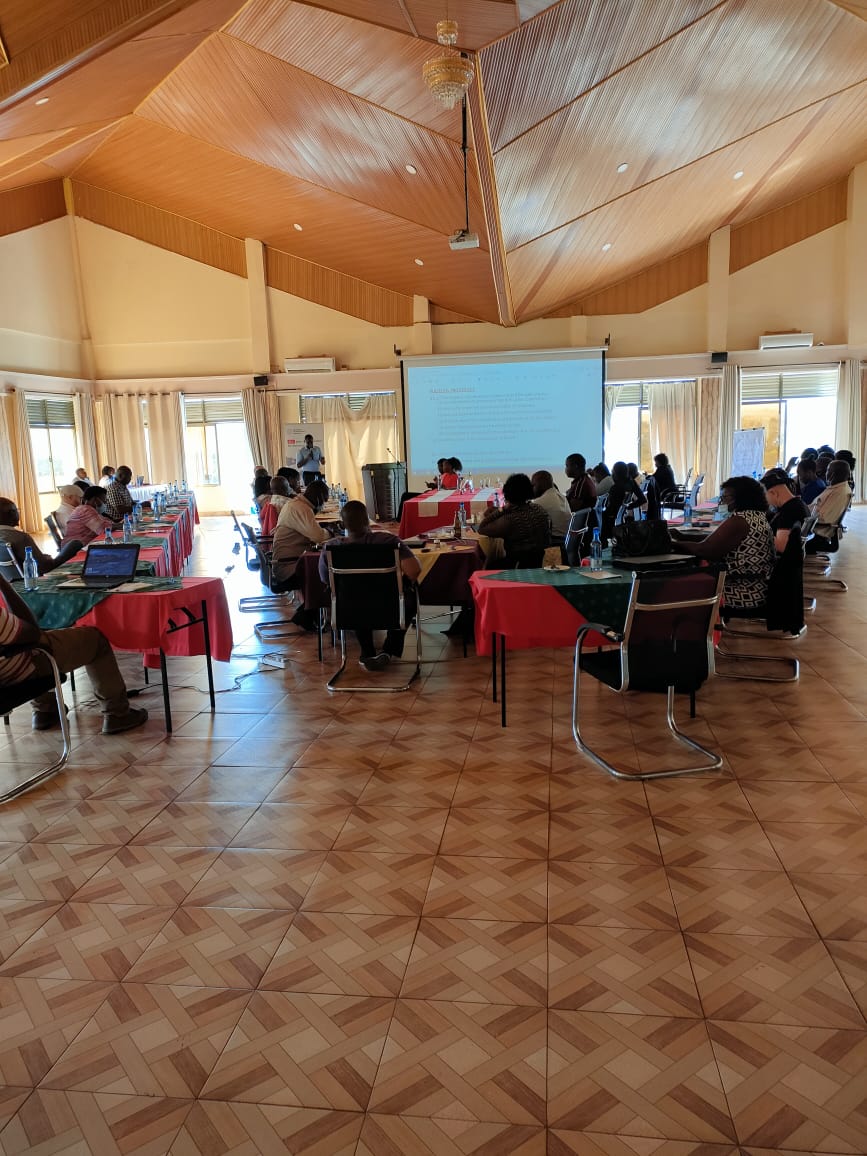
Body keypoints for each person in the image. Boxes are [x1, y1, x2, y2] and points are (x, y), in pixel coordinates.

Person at [0, 572, 148, 734]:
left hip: (5, 679)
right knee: (95, 640)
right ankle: (117, 713)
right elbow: (32, 632)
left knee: (39, 634)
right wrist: (4, 584)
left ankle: (45, 710)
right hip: (23, 670)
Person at [319, 500, 421, 671]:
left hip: (349, 609)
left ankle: (367, 651)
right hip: (390, 606)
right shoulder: (389, 541)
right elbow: (414, 571)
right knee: (411, 589)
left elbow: (325, 580)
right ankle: (389, 650)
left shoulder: (330, 548)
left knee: (353, 593)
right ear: (368, 520)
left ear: (343, 524)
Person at [672, 476, 774, 610]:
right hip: (755, 586)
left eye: (725, 497)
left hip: (739, 590)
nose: (721, 501)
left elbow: (705, 550)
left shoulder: (740, 521)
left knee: (676, 585)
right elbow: (715, 540)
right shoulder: (756, 516)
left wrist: (673, 544)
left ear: (740, 498)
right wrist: (682, 537)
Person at [477, 473, 551, 567]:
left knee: (489, 564)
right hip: (540, 563)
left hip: (517, 565)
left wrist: (501, 509)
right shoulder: (539, 509)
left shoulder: (510, 519)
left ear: (508, 492)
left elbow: (482, 528)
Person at [271, 480, 330, 588]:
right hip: (288, 568)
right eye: (324, 500)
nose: (323, 505)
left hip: (286, 562)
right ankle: (319, 602)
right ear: (319, 498)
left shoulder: (296, 504)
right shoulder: (301, 508)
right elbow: (319, 537)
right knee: (328, 569)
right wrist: (331, 532)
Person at [0, 498, 81, 575]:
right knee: (75, 543)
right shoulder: (20, 537)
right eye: (17, 510)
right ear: (12, 513)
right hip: (32, 582)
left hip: (9, 585)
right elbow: (44, 567)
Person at [805, 460, 852, 554]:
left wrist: (803, 515)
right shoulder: (836, 488)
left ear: (833, 474)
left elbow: (824, 518)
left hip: (816, 533)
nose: (826, 473)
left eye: (827, 470)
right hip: (811, 525)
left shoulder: (839, 492)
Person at [761, 468, 809, 553]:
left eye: (765, 496)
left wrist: (759, 529)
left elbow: (782, 546)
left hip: (778, 561)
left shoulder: (789, 512)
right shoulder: (799, 504)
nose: (766, 501)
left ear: (773, 493)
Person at [601, 461, 647, 543]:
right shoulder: (632, 482)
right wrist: (627, 507)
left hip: (611, 521)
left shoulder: (615, 488)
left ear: (615, 473)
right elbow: (643, 499)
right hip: (621, 518)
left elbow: (611, 510)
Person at [531, 470, 571, 539]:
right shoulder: (561, 497)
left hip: (552, 547)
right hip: (562, 543)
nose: (532, 489)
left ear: (541, 484)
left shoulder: (539, 502)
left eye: (534, 485)